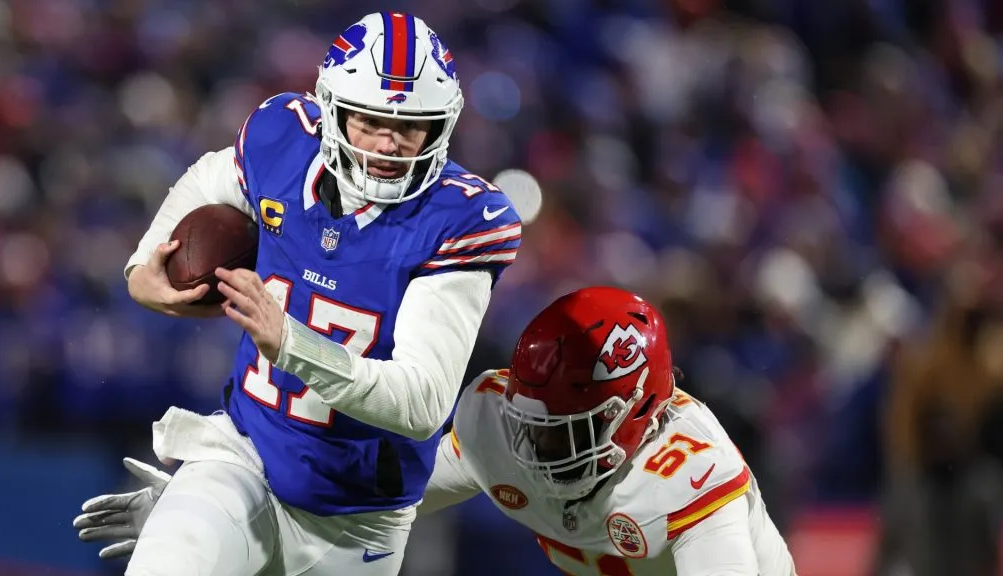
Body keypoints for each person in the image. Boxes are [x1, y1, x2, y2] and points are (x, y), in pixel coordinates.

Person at [101, 10, 522, 576]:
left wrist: (291, 343)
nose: (390, 144)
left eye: (410, 126)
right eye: (370, 121)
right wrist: (143, 265)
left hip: (357, 520)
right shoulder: (284, 142)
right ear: (332, 110)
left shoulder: (460, 219)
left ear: (441, 125)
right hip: (243, 457)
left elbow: (421, 402)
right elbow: (209, 177)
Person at [78, 288, 797, 575]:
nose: (532, 450)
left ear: (633, 415)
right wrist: (214, 516)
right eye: (528, 425)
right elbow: (356, 499)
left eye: (562, 435)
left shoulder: (691, 479)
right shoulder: (505, 430)